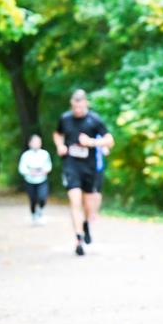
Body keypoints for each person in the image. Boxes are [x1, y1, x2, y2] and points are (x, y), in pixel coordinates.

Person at [53, 89, 114, 256]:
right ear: (71, 105)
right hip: (71, 164)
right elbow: (57, 134)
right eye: (74, 107)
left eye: (80, 107)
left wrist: (92, 142)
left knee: (89, 204)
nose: (77, 111)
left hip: (90, 166)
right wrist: (60, 146)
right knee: (74, 200)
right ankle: (78, 238)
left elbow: (110, 140)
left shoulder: (94, 120)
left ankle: (85, 224)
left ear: (86, 103)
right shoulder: (65, 118)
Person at [18, 134, 52, 224]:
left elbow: (48, 166)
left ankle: (40, 210)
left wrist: (45, 171)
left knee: (42, 197)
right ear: (30, 143)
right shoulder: (25, 155)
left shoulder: (45, 154)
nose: (36, 144)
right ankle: (33, 214)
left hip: (42, 180)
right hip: (30, 180)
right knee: (32, 199)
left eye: (38, 142)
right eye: (34, 142)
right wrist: (29, 172)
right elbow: (22, 168)